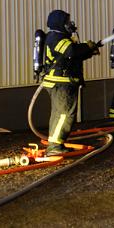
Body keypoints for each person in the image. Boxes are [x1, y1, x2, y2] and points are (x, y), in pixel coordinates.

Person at [40, 10, 100, 155]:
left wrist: (89, 51)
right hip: (61, 83)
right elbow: (71, 51)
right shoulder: (57, 38)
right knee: (65, 114)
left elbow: (72, 57)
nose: (70, 24)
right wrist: (87, 46)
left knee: (60, 114)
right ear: (59, 23)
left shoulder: (59, 37)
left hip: (61, 82)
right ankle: (55, 147)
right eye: (67, 21)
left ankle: (55, 142)